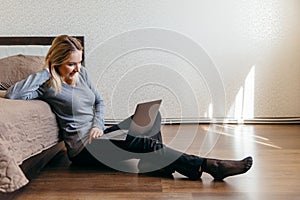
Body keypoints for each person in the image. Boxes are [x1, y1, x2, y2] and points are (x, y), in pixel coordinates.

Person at [5, 35, 252, 181]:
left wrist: (98, 125)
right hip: (82, 150)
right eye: (70, 64)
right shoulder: (46, 84)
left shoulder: (83, 75)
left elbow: (99, 102)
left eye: (79, 62)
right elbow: (15, 93)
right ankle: (208, 166)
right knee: (143, 141)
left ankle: (154, 164)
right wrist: (45, 71)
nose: (77, 69)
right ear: (56, 62)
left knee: (150, 115)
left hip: (97, 135)